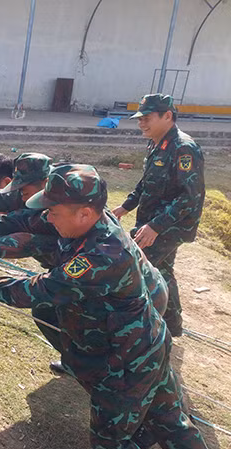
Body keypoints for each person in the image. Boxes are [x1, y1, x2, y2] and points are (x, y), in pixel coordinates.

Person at [0, 164, 206, 449]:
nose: (47, 216)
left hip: (126, 363)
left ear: (84, 213)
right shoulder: (89, 220)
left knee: (113, 441)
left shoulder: (102, 256)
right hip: (145, 345)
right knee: (172, 423)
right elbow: (29, 229)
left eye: (53, 211)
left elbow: (37, 290)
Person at [112, 94, 205, 337]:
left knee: (134, 265)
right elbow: (147, 183)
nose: (141, 123)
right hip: (153, 221)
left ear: (167, 116)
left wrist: (155, 227)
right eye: (139, 118)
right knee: (162, 271)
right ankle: (173, 326)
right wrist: (125, 207)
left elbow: (189, 197)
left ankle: (129, 328)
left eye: (147, 118)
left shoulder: (184, 148)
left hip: (169, 225)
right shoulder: (156, 142)